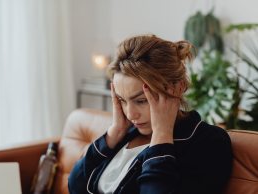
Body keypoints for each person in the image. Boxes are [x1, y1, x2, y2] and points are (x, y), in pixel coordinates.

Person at [68, 34, 233, 194]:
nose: (131, 114)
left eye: (141, 101)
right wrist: (115, 132)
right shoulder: (126, 134)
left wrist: (162, 135)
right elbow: (75, 186)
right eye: (122, 100)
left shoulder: (209, 142)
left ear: (178, 88)